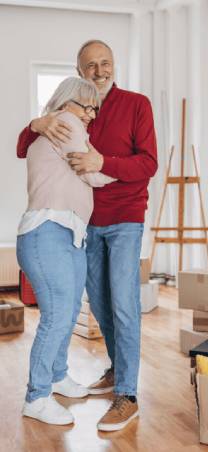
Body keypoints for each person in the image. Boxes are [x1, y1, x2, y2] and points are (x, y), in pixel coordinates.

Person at [17, 40, 158, 432]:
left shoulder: (136, 104)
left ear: (115, 65)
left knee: (125, 304)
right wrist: (35, 123)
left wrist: (103, 162)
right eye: (91, 65)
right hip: (85, 225)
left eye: (106, 63)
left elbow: (148, 163)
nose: (100, 70)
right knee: (99, 304)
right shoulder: (69, 116)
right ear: (80, 74)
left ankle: (127, 394)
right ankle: (115, 370)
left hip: (125, 218)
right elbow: (21, 146)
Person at [17, 77, 116, 425]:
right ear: (67, 101)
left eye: (94, 108)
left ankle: (57, 376)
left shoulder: (63, 126)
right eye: (85, 105)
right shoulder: (64, 123)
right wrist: (127, 167)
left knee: (69, 309)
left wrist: (103, 162)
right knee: (58, 315)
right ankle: (38, 396)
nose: (90, 114)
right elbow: (94, 175)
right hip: (48, 232)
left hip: (68, 234)